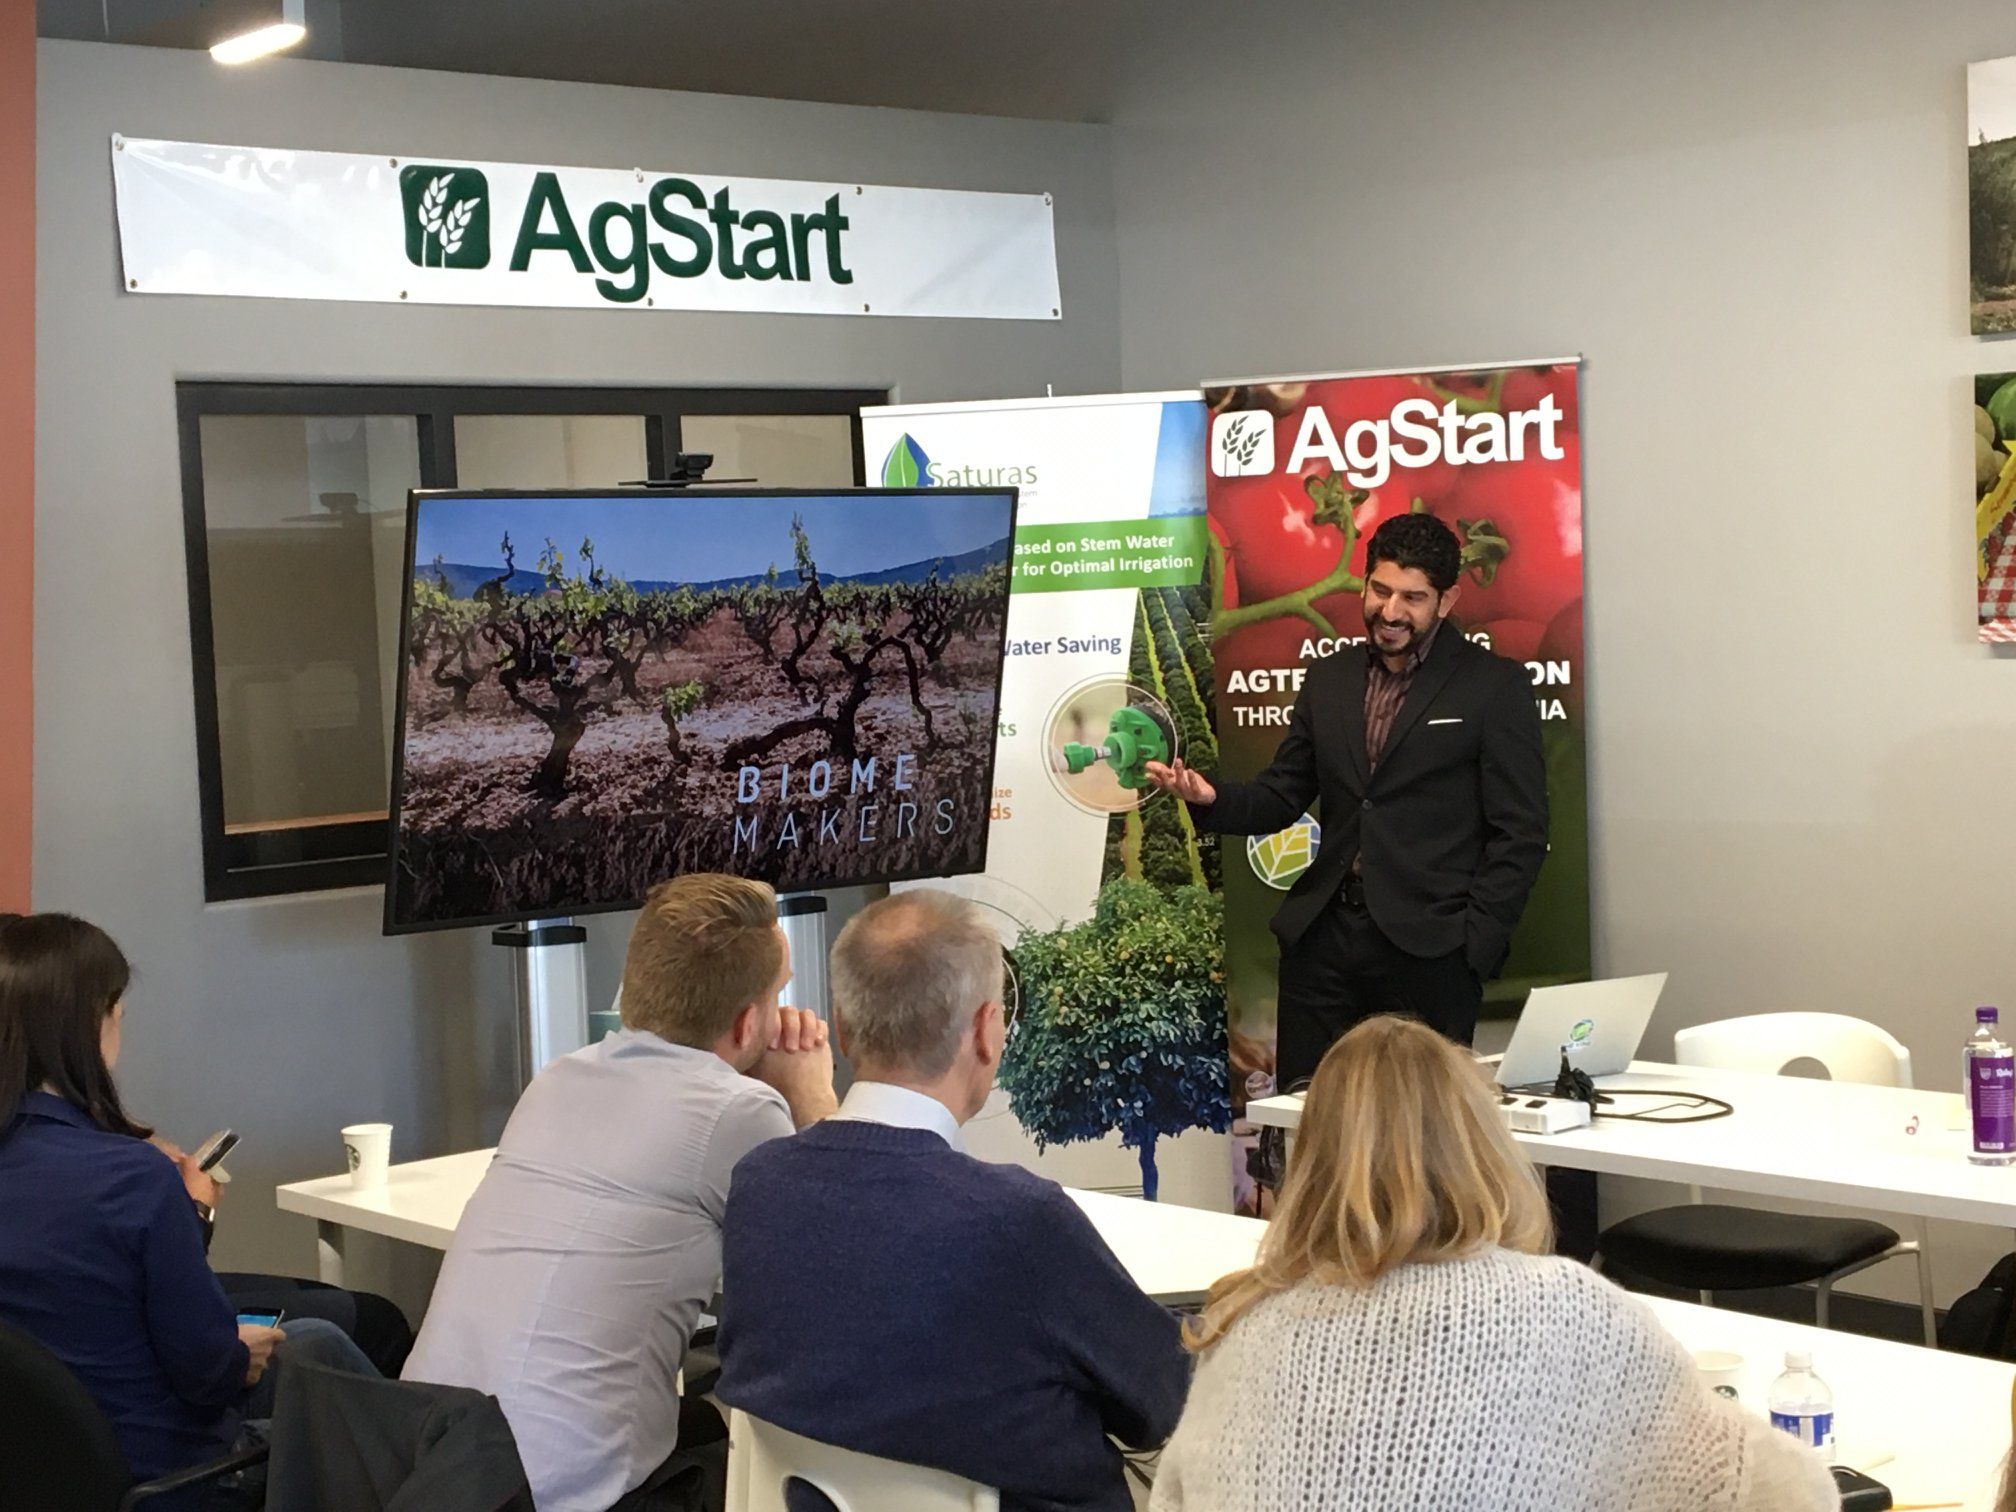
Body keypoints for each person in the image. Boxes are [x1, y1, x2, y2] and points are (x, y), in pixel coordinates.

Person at [1149, 1015, 1837, 1512]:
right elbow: (1791, 1493)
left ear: (1309, 1161)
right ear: (1483, 1141)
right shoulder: (1570, 1312)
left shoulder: (1242, 1325)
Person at [717, 889, 1189, 1512]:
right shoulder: (1020, 1222)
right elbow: (1164, 1402)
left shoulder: (758, 1186)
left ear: (844, 1028)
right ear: (988, 1031)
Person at [403, 873, 837, 1512]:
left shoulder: (558, 1078)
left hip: (434, 1461)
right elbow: (849, 1252)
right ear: (749, 1023)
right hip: (560, 1493)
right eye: (779, 995)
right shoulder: (738, 1110)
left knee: (708, 1423)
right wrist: (810, 1093)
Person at [1148, 512, 1547, 1086]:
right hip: (1323, 942)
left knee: (1416, 1123)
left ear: (1448, 600)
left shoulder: (1493, 686)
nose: (1390, 611)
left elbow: (1521, 832)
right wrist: (1211, 798)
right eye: (1380, 590)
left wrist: (1472, 946)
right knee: (1308, 1114)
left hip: (1431, 951)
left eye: (1413, 598)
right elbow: (1283, 794)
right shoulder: (1329, 679)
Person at [0, 912, 373, 1505]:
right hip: (169, 1478)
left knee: (316, 1337)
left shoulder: (111, 1170)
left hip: (36, 1476)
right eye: (116, 1014)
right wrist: (238, 1350)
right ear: (88, 1025)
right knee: (358, 1392)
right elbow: (208, 1376)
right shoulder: (133, 1177)